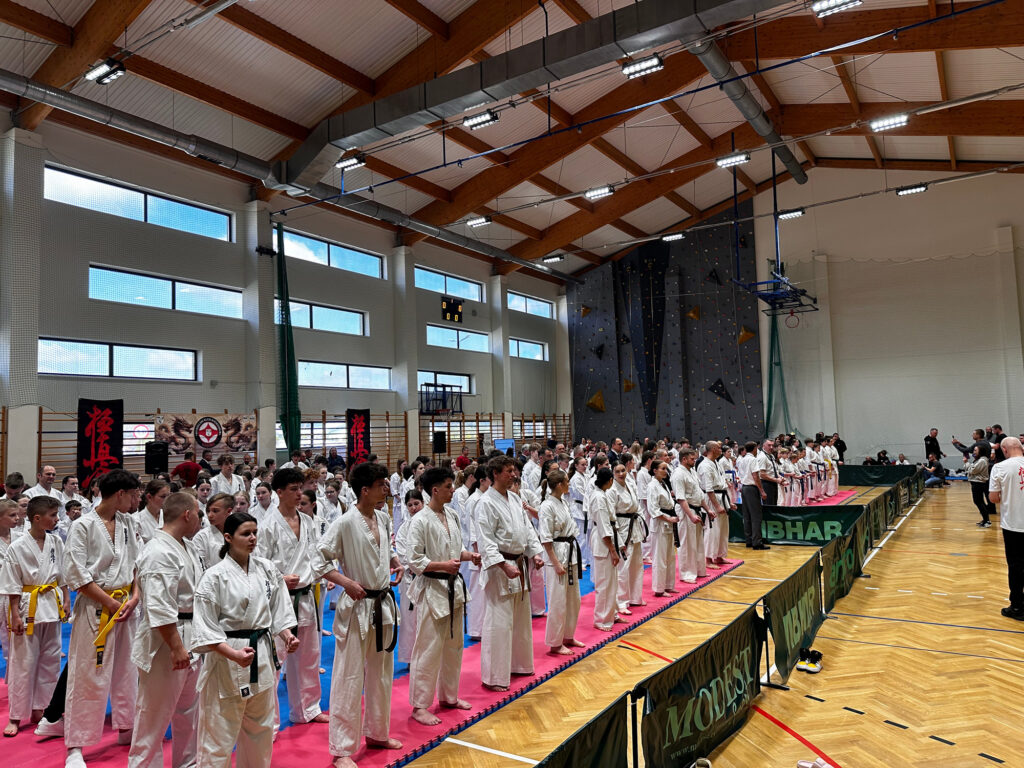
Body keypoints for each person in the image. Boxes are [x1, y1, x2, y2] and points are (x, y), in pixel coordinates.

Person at [191, 512, 298, 766]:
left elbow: (278, 609)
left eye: (255, 533)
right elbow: (205, 627)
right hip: (228, 656)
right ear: (228, 537)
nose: (252, 538)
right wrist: (233, 655)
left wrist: (286, 635)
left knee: (260, 731)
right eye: (245, 534)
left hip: (261, 653)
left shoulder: (267, 568)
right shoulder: (214, 576)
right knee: (218, 735)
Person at [318, 462, 404, 766]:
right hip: (356, 606)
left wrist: (395, 561)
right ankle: (341, 749)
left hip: (382, 603)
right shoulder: (345, 522)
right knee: (349, 677)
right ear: (365, 490)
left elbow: (385, 549)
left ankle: (377, 733)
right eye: (381, 484)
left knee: (381, 674)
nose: (386, 489)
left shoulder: (383, 517)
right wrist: (345, 582)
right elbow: (320, 561)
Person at [62, 469, 143, 768]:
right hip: (96, 608)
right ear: (120, 494)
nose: (136, 500)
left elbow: (138, 565)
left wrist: (135, 597)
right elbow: (76, 573)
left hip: (126, 607)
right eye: (133, 495)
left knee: (128, 670)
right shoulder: (82, 526)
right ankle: (75, 746)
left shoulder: (128, 522)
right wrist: (110, 602)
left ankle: (127, 726)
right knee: (87, 674)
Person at [128, 492, 203, 768]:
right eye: (198, 513)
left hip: (192, 632)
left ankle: (188, 764)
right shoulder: (159, 551)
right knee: (153, 715)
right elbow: (159, 606)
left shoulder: (186, 545)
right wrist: (176, 646)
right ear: (187, 514)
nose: (200, 518)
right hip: (166, 639)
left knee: (190, 711)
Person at [257, 467, 335, 728]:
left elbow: (315, 556)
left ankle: (307, 710)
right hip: (279, 600)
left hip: (306, 594)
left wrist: (327, 575)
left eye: (301, 488)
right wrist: (279, 579)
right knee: (276, 661)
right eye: (294, 489)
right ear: (279, 492)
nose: (300, 493)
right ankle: (270, 724)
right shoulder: (267, 525)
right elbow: (258, 564)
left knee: (309, 656)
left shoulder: (308, 521)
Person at [406, 468, 480, 725]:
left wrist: (469, 556)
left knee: (454, 645)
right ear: (435, 490)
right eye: (448, 486)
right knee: (428, 648)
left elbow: (455, 549)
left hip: (453, 587)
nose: (453, 490)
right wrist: (443, 565)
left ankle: (449, 696)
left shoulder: (452, 514)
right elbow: (414, 560)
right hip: (432, 588)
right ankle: (419, 706)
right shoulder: (420, 520)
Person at [475, 455, 544, 691]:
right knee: (499, 624)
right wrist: (503, 565)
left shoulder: (514, 498)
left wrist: (535, 553)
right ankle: (494, 676)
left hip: (519, 563)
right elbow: (485, 540)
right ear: (495, 474)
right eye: (508, 471)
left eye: (514, 470)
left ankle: (520, 665)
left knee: (521, 620)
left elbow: (528, 529)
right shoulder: (485, 503)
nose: (513, 475)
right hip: (500, 568)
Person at [0, 496, 67, 737]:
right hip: (27, 606)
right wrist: (14, 616)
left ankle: (42, 709)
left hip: (52, 604)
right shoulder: (17, 547)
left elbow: (63, 574)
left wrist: (66, 600)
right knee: (23, 663)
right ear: (37, 518)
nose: (57, 519)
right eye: (53, 515)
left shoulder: (56, 541)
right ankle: (16, 715)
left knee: (50, 660)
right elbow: (12, 584)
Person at [538, 469, 584, 656]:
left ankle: (568, 635)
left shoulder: (563, 501)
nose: (569, 484)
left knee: (574, 600)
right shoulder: (547, 506)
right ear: (559, 485)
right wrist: (556, 563)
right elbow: (546, 539)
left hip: (569, 552)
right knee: (557, 602)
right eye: (567, 481)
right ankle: (555, 643)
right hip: (556, 556)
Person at [989, 437, 1024, 621]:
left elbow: (993, 498)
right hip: (1014, 524)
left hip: (1013, 525)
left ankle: (1017, 607)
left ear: (1004, 450)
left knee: (1016, 566)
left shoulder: (999, 467)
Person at [609, 462, 645, 614]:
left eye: (623, 470)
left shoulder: (629, 484)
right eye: (617, 471)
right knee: (623, 568)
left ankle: (635, 597)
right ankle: (621, 602)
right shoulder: (612, 490)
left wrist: (642, 525)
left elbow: (637, 506)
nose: (621, 474)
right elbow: (611, 516)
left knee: (637, 564)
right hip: (622, 529)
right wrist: (616, 537)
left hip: (634, 526)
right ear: (613, 473)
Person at [589, 467, 621, 631]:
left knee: (612, 582)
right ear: (610, 481)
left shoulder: (602, 494)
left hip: (608, 538)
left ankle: (612, 614)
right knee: (604, 583)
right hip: (603, 542)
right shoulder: (598, 497)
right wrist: (613, 550)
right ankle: (601, 619)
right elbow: (603, 526)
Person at [395, 489, 423, 666]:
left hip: (429, 576)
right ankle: (410, 658)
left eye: (416, 504)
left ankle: (426, 657)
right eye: (410, 505)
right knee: (409, 619)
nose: (413, 508)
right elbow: (402, 553)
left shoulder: (429, 523)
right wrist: (413, 567)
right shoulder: (404, 529)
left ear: (423, 503)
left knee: (427, 619)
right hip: (410, 578)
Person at [671, 448, 706, 584]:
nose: (694, 461)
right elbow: (680, 498)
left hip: (696, 508)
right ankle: (686, 574)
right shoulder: (678, 474)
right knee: (686, 543)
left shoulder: (692, 471)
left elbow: (699, 494)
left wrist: (708, 509)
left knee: (698, 542)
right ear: (684, 459)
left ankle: (699, 570)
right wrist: (691, 515)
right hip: (685, 511)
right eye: (692, 459)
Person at [698, 441, 732, 568]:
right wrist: (717, 506)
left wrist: (729, 502)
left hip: (721, 496)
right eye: (718, 448)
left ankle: (719, 556)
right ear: (712, 449)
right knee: (712, 529)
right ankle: (708, 559)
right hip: (711, 499)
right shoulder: (705, 466)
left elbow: (722, 483)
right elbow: (709, 489)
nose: (721, 449)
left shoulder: (716, 463)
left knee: (723, 529)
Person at [647, 461, 678, 596]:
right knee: (660, 557)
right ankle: (659, 589)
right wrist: (668, 518)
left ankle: (668, 585)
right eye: (662, 468)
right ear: (655, 470)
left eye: (666, 468)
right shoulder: (652, 486)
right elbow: (653, 509)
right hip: (660, 524)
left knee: (670, 556)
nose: (665, 471)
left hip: (669, 521)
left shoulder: (663, 483)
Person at [737, 442, 769, 550]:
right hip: (751, 488)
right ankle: (757, 542)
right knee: (756, 516)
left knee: (747, 516)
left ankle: (749, 540)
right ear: (754, 449)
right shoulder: (753, 459)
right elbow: (755, 476)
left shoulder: (742, 459)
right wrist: (762, 491)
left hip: (744, 488)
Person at [192, 493, 235, 570]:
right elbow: (198, 566)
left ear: (229, 511)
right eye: (208, 511)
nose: (210, 515)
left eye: (215, 511)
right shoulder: (201, 537)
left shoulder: (240, 533)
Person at [967, 443, 997, 528]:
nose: (974, 452)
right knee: (979, 501)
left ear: (980, 451)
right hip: (976, 483)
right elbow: (970, 470)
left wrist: (967, 464)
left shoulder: (982, 461)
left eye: (975, 450)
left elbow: (972, 471)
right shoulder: (979, 460)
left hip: (978, 483)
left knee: (979, 502)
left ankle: (987, 520)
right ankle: (985, 519)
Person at [137, 479, 170, 545]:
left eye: (168, 496)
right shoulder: (138, 520)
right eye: (163, 496)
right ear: (149, 497)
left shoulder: (170, 516)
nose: (167, 500)